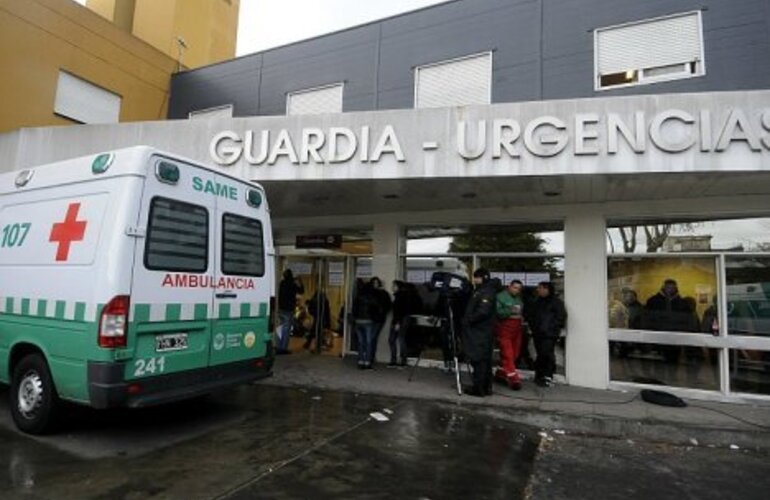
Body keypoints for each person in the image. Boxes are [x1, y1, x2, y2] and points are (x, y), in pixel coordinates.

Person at [461, 268, 498, 397]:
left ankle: (479, 389)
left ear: (483, 278)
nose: (475, 280)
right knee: (483, 361)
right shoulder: (481, 290)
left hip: (481, 332)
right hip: (481, 331)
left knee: (480, 361)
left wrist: (468, 320)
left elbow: (483, 311)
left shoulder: (486, 292)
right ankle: (485, 388)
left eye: (476, 277)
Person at [643, 279, 693, 363]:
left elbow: (687, 321)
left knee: (673, 364)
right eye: (667, 287)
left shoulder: (683, 303)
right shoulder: (653, 301)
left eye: (672, 287)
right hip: (656, 338)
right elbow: (646, 320)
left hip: (675, 339)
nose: (670, 289)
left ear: (676, 288)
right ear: (663, 287)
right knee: (657, 365)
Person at [529, 281, 567, 387]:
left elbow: (561, 317)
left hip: (549, 334)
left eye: (540, 288)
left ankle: (548, 376)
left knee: (547, 354)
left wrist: (551, 328)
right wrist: (534, 328)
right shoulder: (537, 302)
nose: (538, 290)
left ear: (547, 289)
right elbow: (532, 316)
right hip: (538, 333)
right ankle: (539, 376)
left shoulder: (556, 302)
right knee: (540, 354)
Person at [495, 279, 525, 390]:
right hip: (504, 329)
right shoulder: (500, 297)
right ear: (509, 286)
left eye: (519, 289)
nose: (517, 290)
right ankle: (514, 380)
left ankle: (500, 373)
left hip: (517, 329)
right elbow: (498, 312)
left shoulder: (518, 298)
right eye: (515, 287)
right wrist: (511, 310)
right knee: (508, 354)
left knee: (515, 353)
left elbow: (520, 311)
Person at [389, 280, 422, 367]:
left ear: (398, 287)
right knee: (397, 339)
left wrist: (398, 323)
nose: (392, 287)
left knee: (398, 339)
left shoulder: (401, 296)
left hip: (400, 320)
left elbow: (400, 311)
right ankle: (398, 360)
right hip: (400, 320)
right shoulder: (399, 296)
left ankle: (400, 361)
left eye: (394, 286)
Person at [352, 280, 382, 370]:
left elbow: (354, 310)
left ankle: (360, 361)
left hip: (358, 322)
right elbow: (377, 309)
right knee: (369, 342)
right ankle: (367, 362)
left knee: (361, 342)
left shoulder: (358, 297)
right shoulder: (372, 297)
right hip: (368, 322)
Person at [277, 269, 303, 354]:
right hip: (288, 310)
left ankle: (278, 346)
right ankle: (283, 348)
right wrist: (300, 281)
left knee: (280, 329)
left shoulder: (282, 283)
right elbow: (301, 291)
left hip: (281, 309)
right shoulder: (292, 284)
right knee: (286, 330)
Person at [369, 277, 392, 365]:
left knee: (372, 338)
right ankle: (370, 356)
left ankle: (370, 357)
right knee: (372, 338)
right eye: (374, 283)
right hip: (375, 318)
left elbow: (388, 306)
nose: (375, 284)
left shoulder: (382, 294)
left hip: (378, 318)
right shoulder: (382, 294)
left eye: (376, 283)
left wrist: (382, 312)